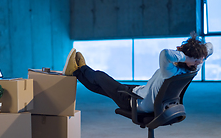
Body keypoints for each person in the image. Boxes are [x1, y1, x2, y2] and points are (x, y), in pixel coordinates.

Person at [63, 33, 213, 113]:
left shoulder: (171, 71)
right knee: (104, 87)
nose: (200, 61)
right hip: (141, 92)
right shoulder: (194, 68)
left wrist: (186, 56)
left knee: (101, 77)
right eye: (199, 58)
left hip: (135, 102)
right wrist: (197, 54)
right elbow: (210, 46)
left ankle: (80, 69)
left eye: (200, 59)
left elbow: (165, 53)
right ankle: (77, 72)